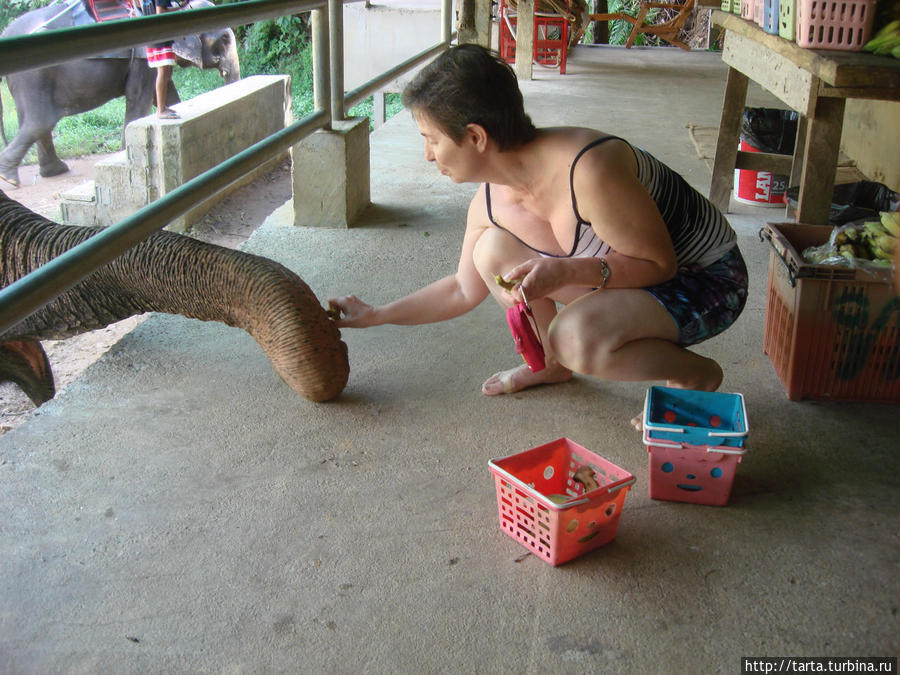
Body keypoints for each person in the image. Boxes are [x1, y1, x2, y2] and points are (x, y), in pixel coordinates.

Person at [328, 44, 748, 422]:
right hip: (636, 277)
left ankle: (695, 374)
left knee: (576, 336)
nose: (427, 155)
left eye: (432, 140)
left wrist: (565, 271)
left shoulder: (588, 170)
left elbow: (659, 265)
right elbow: (461, 290)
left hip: (706, 281)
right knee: (491, 251)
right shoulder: (490, 203)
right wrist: (377, 314)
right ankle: (551, 364)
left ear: (475, 136)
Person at [144, 0, 190, 119]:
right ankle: (161, 109)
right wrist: (180, 7)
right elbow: (161, 12)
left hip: (150, 34)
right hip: (161, 35)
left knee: (165, 73)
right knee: (163, 73)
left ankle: (162, 106)